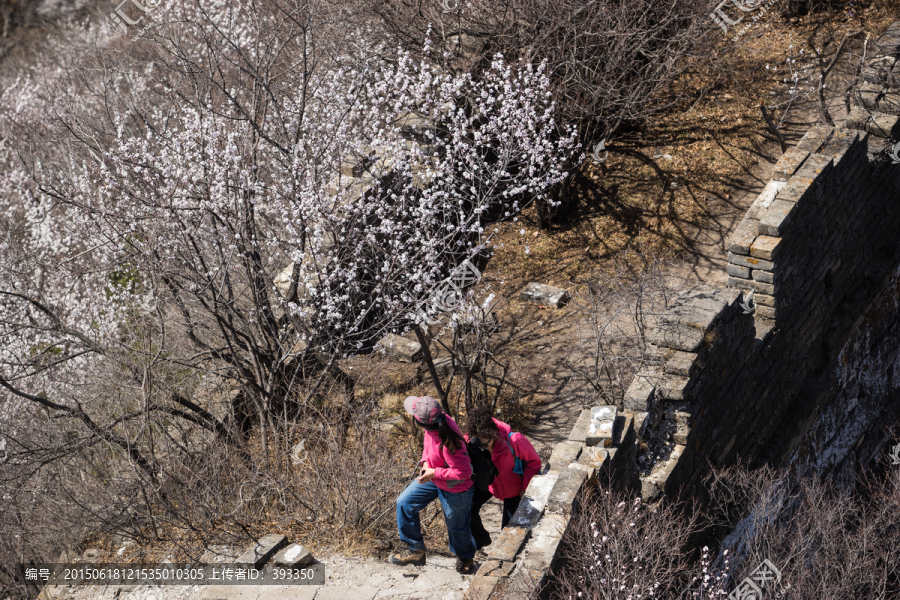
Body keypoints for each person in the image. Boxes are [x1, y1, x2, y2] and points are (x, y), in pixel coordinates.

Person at [390, 396, 478, 574]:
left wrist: (433, 473)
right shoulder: (436, 422)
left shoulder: (449, 441)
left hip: (457, 488)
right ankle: (416, 550)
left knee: (457, 527)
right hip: (435, 477)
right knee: (404, 503)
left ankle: (465, 557)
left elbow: (464, 472)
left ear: (419, 421)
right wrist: (425, 463)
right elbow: (427, 445)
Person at [464, 405, 542, 551]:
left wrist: (525, 488)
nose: (483, 448)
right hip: (490, 484)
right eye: (479, 444)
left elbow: (534, 462)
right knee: (467, 508)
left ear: (493, 434)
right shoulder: (471, 439)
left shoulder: (515, 441)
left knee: (508, 535)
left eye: (486, 444)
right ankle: (481, 540)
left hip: (514, 490)